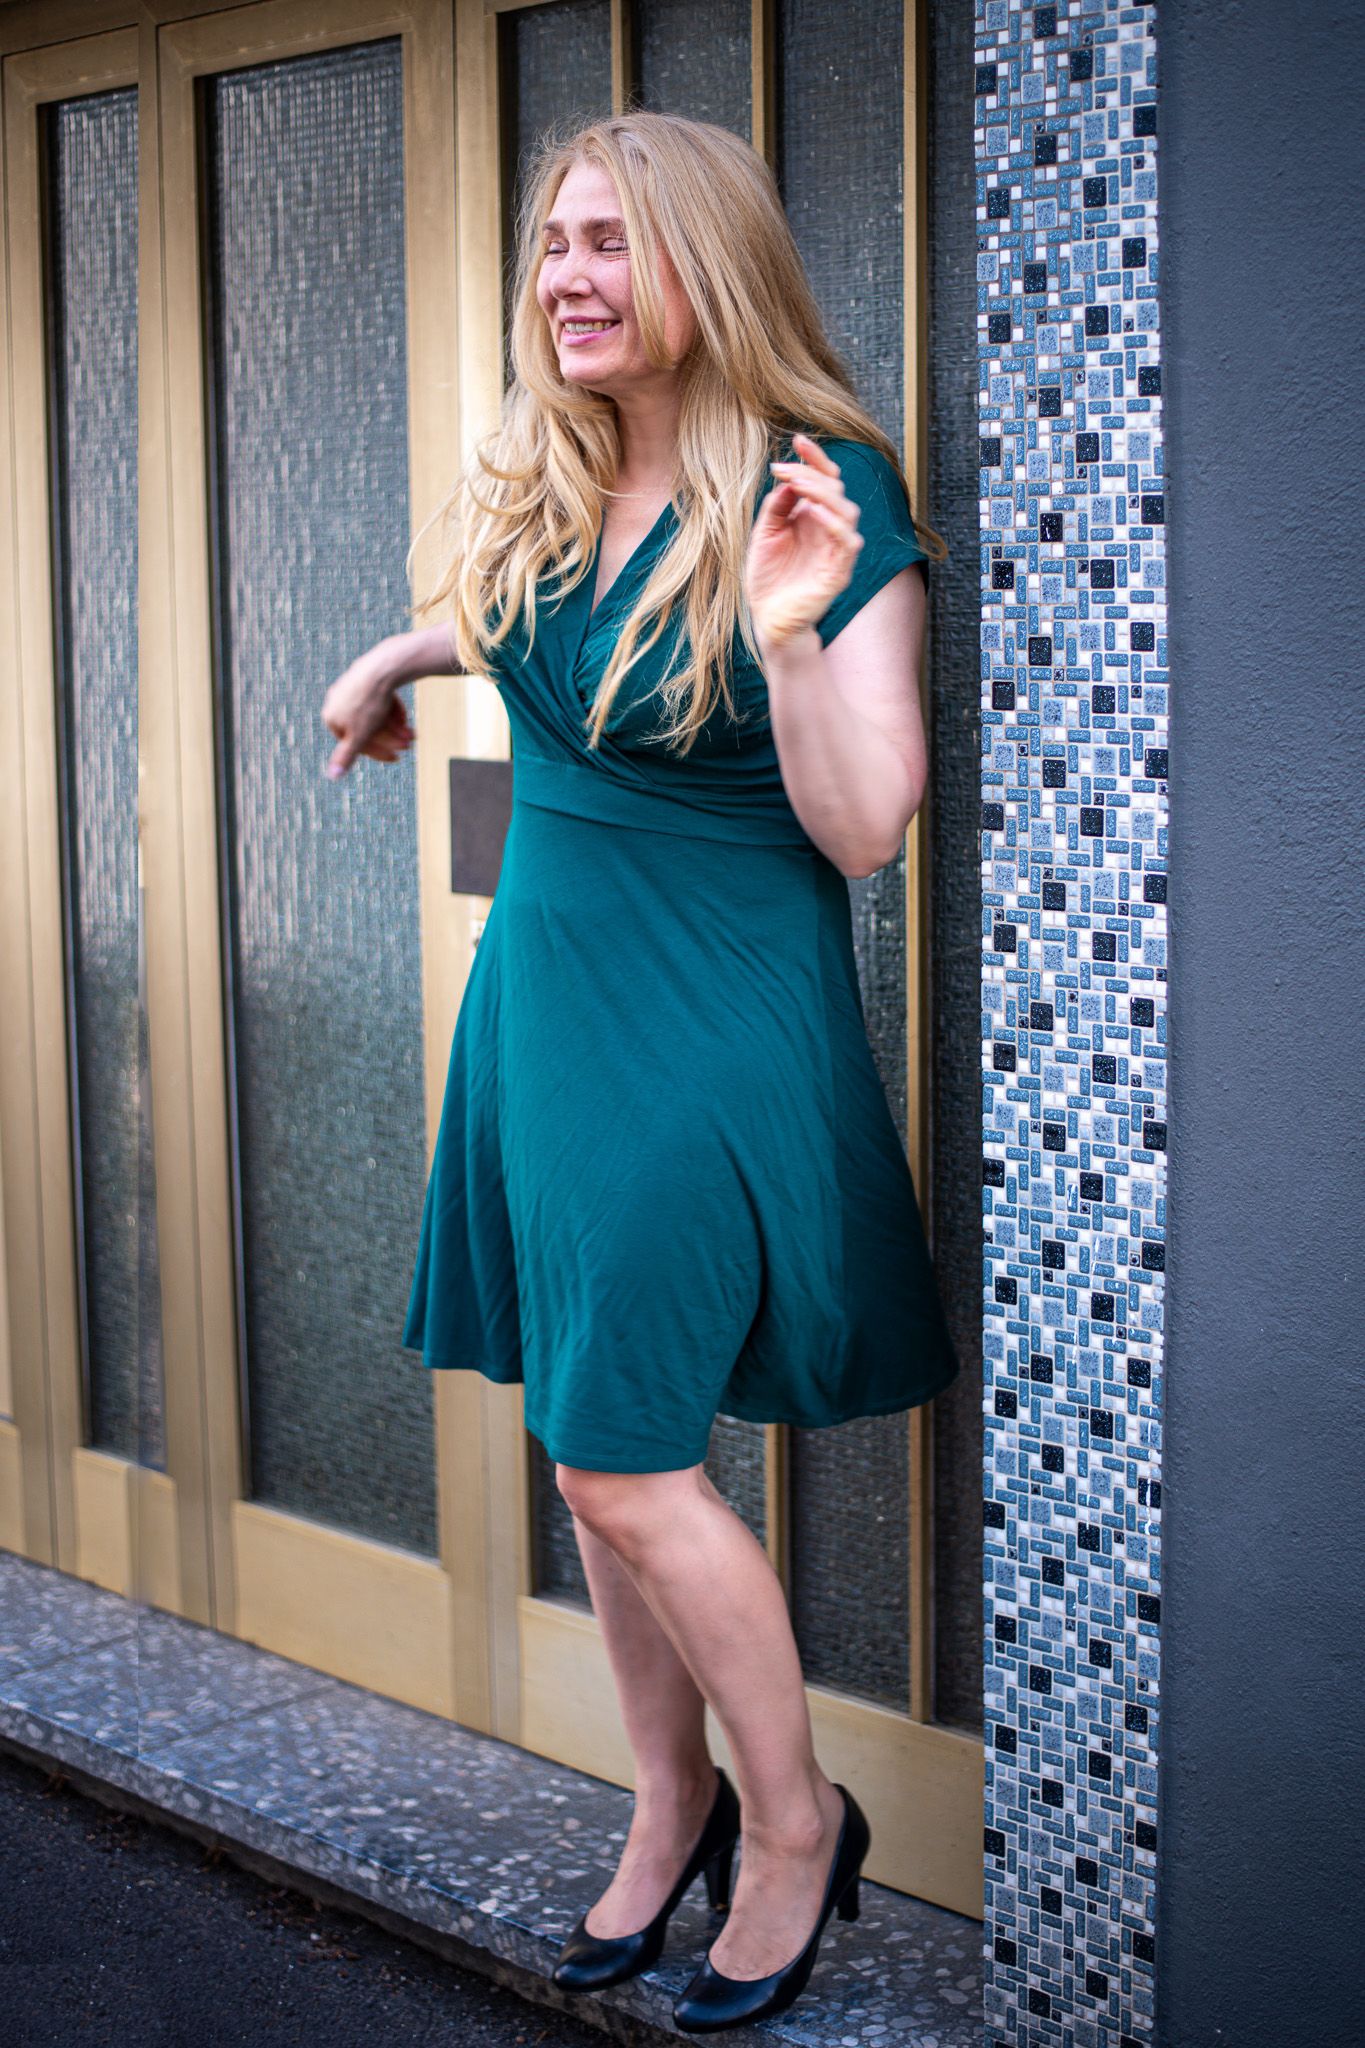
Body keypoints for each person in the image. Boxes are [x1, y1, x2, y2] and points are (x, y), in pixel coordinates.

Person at [321, 110, 959, 2035]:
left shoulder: (821, 491)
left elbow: (864, 828)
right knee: (602, 1445)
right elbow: (549, 633)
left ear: (707, 260)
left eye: (610, 241)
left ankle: (796, 1823)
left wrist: (788, 640)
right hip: (543, 1008)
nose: (568, 278)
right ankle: (669, 1799)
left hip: (706, 1023)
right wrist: (400, 657)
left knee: (614, 1455)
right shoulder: (563, 467)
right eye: (553, 244)